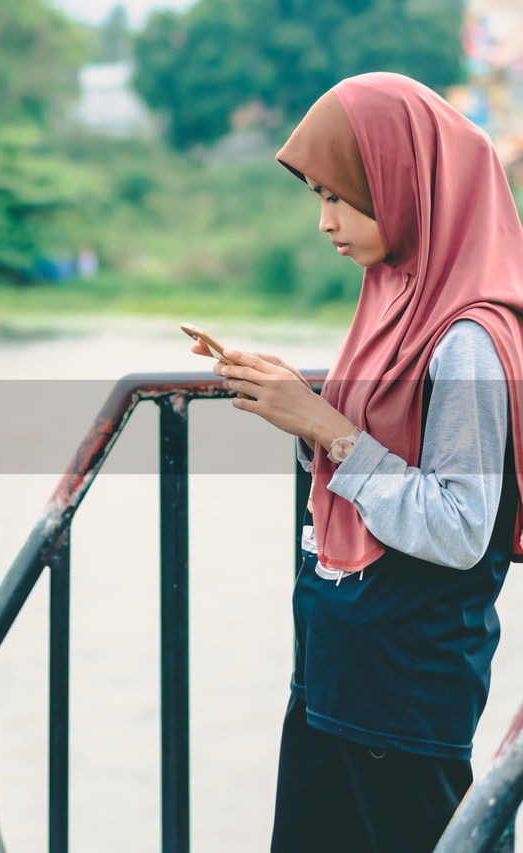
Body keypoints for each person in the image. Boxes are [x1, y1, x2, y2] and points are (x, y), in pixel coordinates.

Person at [189, 73, 523, 852]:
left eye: (340, 196)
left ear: (406, 185)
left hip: (399, 695)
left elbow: (463, 525)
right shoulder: (397, 297)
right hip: (341, 673)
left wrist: (328, 427)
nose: (323, 222)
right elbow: (379, 444)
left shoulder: (467, 337)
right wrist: (287, 399)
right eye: (317, 195)